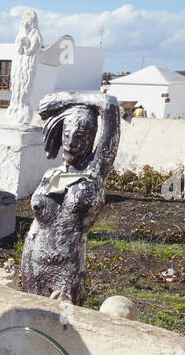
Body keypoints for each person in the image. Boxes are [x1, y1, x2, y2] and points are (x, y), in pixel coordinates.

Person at [20, 92, 121, 305]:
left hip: (67, 271)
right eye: (67, 134)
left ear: (92, 137)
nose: (71, 142)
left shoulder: (96, 171)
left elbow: (109, 105)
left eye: (80, 135)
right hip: (32, 263)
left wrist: (71, 102)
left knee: (62, 329)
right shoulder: (52, 175)